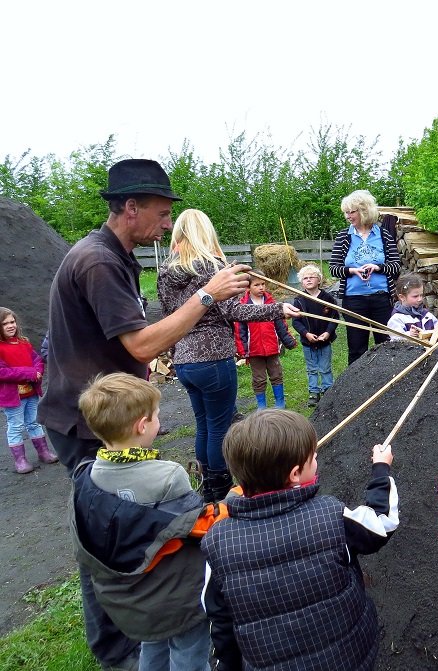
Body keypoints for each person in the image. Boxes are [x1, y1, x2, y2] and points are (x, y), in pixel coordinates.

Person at [38, 158, 250, 671]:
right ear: (129, 208)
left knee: (118, 523)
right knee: (104, 532)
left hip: (103, 411)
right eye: (159, 212)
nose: (164, 223)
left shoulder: (113, 255)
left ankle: (136, 631)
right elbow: (141, 341)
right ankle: (118, 647)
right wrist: (208, 295)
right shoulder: (98, 262)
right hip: (89, 421)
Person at [201, 410, 399, 670]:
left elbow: (219, 616)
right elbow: (381, 523)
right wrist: (381, 469)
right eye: (313, 458)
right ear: (295, 473)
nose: (317, 459)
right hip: (343, 658)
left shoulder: (217, 542)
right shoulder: (331, 517)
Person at [157, 209, 301, 503]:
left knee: (204, 423)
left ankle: (206, 484)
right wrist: (277, 309)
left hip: (184, 360)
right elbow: (235, 311)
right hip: (213, 358)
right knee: (219, 426)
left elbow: (171, 314)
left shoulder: (166, 272)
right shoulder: (213, 268)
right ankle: (220, 490)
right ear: (207, 232)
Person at [73, 373, 213, 671]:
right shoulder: (168, 476)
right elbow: (196, 524)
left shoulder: (89, 476)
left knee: (153, 644)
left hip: (136, 604)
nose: (158, 421)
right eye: (157, 416)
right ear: (142, 425)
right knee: (189, 652)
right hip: (177, 598)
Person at [329, 190, 402, 365]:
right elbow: (333, 269)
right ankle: (355, 389)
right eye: (346, 212)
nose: (348, 216)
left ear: (364, 211)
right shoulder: (343, 236)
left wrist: (377, 267)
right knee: (356, 348)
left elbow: (396, 266)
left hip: (381, 299)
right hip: (353, 300)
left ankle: (388, 381)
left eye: (351, 212)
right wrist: (352, 271)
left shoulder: (383, 235)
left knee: (385, 344)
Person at [0, 307, 58, 473]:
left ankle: (43, 452)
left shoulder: (23, 343)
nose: (11, 326)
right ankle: (20, 460)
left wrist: (38, 370)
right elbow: (2, 372)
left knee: (34, 422)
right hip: (13, 397)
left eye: (12, 322)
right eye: (5, 324)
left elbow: (37, 359)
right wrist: (30, 373)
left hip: (31, 392)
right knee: (16, 426)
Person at [236, 277, 298, 410]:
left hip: (272, 348)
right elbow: (239, 331)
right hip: (254, 350)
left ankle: (280, 402)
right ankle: (261, 406)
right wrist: (242, 350)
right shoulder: (242, 306)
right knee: (259, 378)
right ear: (248, 288)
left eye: (263, 284)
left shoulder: (271, 303)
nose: (261, 287)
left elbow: (281, 325)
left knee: (276, 375)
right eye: (256, 285)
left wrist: (288, 341)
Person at [291, 264, 339, 408]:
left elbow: (334, 317)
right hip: (308, 342)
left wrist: (328, 332)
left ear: (319, 280)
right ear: (302, 282)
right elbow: (296, 322)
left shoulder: (327, 298)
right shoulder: (299, 300)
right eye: (305, 278)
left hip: (325, 340)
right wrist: (306, 334)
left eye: (312, 277)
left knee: (325, 367)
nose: (309, 280)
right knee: (312, 368)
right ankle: (313, 391)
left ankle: (327, 389)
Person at [387, 272, 438, 340]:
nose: (420, 299)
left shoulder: (427, 315)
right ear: (402, 297)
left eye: (421, 295)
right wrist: (409, 334)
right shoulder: (397, 319)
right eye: (415, 296)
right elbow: (395, 339)